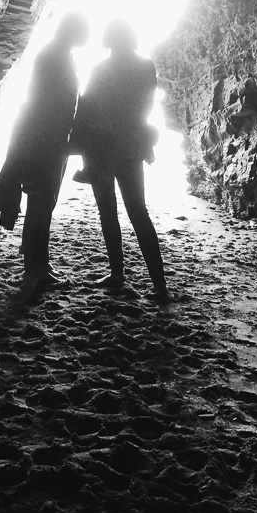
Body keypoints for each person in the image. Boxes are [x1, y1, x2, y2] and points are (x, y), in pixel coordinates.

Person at [0, 11, 89, 303]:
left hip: (51, 138)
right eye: (84, 31)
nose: (88, 37)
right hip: (44, 138)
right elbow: (46, 102)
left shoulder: (59, 54)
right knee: (41, 200)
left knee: (42, 201)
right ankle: (35, 267)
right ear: (73, 30)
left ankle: (37, 264)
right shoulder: (53, 56)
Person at [71, 19, 168, 302]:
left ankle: (117, 274)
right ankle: (160, 287)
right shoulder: (145, 66)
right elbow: (147, 106)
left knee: (108, 211)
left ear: (108, 40)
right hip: (131, 147)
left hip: (101, 149)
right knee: (138, 212)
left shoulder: (101, 68)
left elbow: (87, 107)